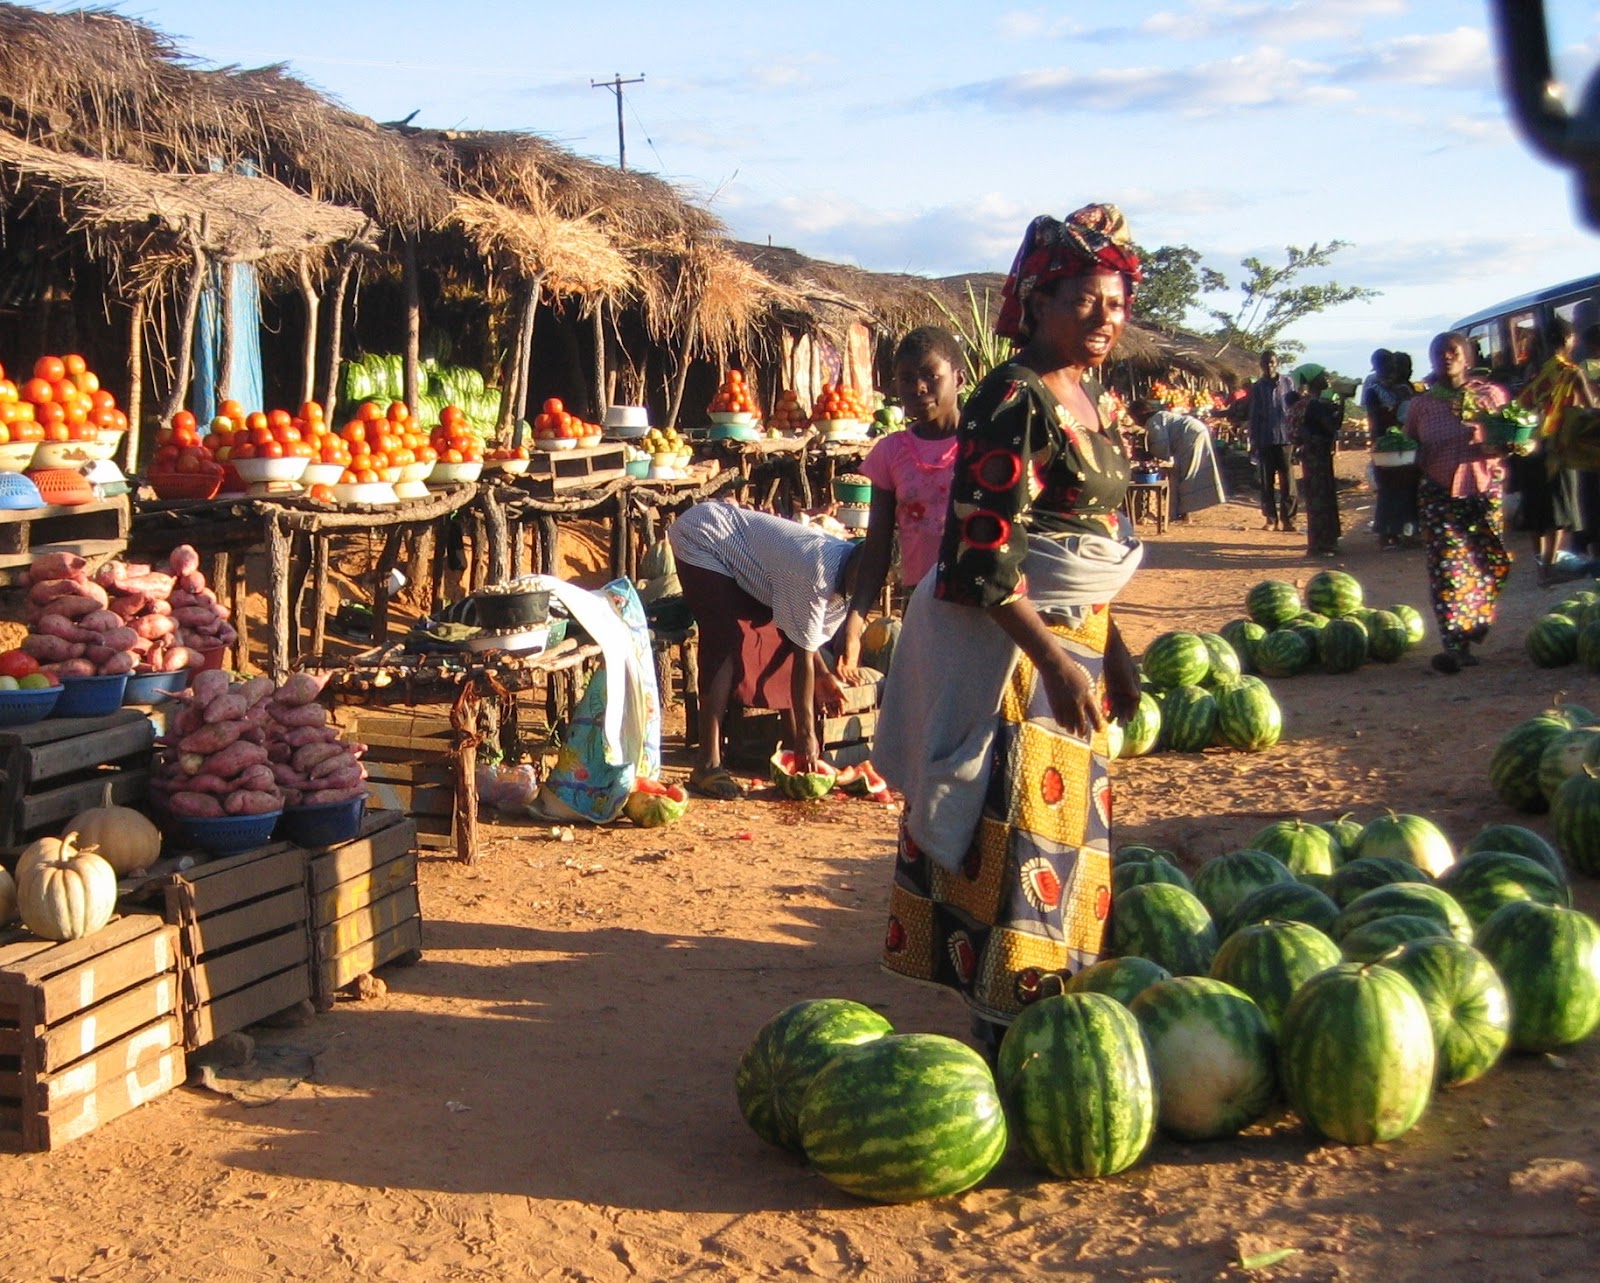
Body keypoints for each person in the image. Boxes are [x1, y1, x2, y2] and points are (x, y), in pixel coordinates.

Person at [875, 204, 1145, 1057]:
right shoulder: (1012, 395)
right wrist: (1059, 667)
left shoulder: (1086, 394)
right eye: (1085, 302)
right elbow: (982, 556)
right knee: (1017, 836)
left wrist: (1114, 646)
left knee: (1062, 846)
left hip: (1075, 642)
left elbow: (1084, 542)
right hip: (1019, 661)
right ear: (1037, 302)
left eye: (1115, 301)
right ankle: (1002, 1039)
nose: (1105, 318)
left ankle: (1043, 1022)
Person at [667, 501, 863, 798]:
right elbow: (802, 651)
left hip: (746, 559)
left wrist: (823, 675)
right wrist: (808, 736)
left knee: (777, 632)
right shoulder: (816, 572)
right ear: (854, 567)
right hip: (704, 536)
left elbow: (802, 636)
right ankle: (707, 764)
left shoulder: (851, 588)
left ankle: (789, 747)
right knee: (725, 640)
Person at [837, 326, 965, 680]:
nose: (918, 388)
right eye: (906, 378)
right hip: (922, 602)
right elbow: (877, 547)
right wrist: (855, 621)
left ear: (959, 378)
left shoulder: (984, 446)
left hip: (982, 601)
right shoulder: (891, 453)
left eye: (930, 375)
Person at [1406, 331, 1511, 674]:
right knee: (1448, 569)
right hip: (1438, 492)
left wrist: (1508, 445)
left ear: (1467, 357)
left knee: (1489, 563)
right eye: (1438, 352)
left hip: (1483, 490)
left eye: (1452, 351)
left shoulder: (1490, 395)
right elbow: (1409, 444)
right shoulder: (1422, 403)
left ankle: (1475, 623)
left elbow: (1512, 437)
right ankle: (1455, 645)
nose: (1445, 357)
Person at [1515, 315, 1593, 585]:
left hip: (1528, 447)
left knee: (1537, 513)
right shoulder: (1572, 372)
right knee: (1559, 513)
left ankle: (1541, 568)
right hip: (1558, 448)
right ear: (1570, 339)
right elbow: (1588, 410)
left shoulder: (1532, 372)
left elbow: (1522, 407)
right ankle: (1550, 568)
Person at [1128, 398, 1227, 520]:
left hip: (1190, 435)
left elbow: (1160, 445)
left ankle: (1183, 512)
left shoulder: (1153, 421)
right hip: (1197, 430)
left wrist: (1147, 454)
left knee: (1185, 474)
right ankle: (1181, 511)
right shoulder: (1160, 416)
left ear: (1139, 415)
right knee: (1186, 472)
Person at [1289, 365, 1344, 556]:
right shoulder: (1315, 405)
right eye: (1322, 375)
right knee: (1321, 497)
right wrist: (1340, 403)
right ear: (1313, 380)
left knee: (1318, 496)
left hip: (1312, 454)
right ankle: (1321, 544)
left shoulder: (1312, 403)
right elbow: (1331, 428)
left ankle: (1322, 542)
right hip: (1316, 455)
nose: (1327, 377)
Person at [1247, 349, 1297, 531]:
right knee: (1266, 482)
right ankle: (1270, 518)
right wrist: (1252, 440)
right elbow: (1254, 415)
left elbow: (1295, 408)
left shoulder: (1288, 383)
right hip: (1265, 438)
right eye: (1266, 363)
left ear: (1278, 363)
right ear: (1261, 365)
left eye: (1272, 362)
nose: (1269, 366)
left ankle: (1288, 519)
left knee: (1288, 481)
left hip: (1286, 438)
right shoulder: (1258, 387)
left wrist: (1297, 435)